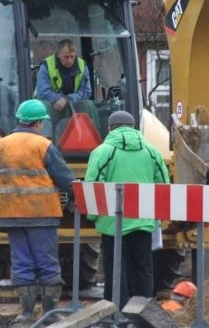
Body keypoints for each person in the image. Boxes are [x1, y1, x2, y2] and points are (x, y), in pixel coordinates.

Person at [0, 99, 74, 324]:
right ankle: (48, 313)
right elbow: (64, 177)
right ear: (38, 123)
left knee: (22, 261)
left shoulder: (0, 145)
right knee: (46, 262)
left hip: (8, 214)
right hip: (40, 213)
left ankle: (25, 313)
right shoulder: (42, 145)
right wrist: (76, 194)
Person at [84, 110, 170, 310]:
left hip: (112, 223)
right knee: (143, 268)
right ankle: (144, 311)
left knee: (115, 270)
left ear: (109, 128)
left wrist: (93, 216)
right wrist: (158, 216)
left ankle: (116, 311)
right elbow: (164, 185)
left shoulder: (102, 152)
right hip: (143, 221)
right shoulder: (151, 151)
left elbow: (93, 186)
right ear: (134, 127)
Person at [35, 38, 92, 113]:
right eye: (66, 57)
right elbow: (43, 93)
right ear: (58, 55)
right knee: (45, 106)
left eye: (72, 57)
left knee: (89, 105)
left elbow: (86, 92)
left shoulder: (82, 65)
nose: (70, 60)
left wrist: (67, 99)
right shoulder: (46, 66)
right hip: (51, 105)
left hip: (74, 103)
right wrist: (61, 99)